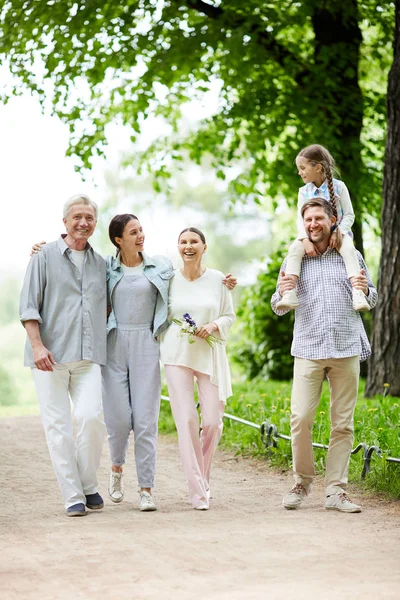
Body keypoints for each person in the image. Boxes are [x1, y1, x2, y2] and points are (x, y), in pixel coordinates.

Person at [31, 217, 236, 512]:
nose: (141, 235)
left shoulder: (160, 267)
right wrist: (42, 251)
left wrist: (224, 281)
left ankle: (146, 489)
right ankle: (116, 470)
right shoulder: (104, 267)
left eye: (141, 230)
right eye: (134, 232)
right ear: (118, 240)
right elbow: (71, 263)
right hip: (113, 343)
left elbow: (192, 277)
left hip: (147, 344)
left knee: (145, 420)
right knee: (116, 420)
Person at [271, 198, 378, 513]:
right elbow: (278, 304)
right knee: (300, 417)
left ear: (333, 220)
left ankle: (335, 491)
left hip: (345, 346)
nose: (313, 224)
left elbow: (371, 295)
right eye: (308, 219)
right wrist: (281, 291)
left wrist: (364, 289)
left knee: (342, 424)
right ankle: (302, 483)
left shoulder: (351, 254)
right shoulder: (297, 258)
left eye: (319, 218)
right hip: (308, 347)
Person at [20, 194, 106, 517]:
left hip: (88, 356)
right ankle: (73, 494)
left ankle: (87, 482)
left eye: (89, 217)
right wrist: (38, 345)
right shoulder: (43, 257)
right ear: (65, 221)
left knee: (92, 417)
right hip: (49, 358)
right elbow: (28, 305)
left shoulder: (101, 264)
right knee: (58, 426)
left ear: (95, 223)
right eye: (77, 217)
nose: (83, 222)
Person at [160, 228, 236, 510]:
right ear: (177, 247)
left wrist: (215, 325)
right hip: (176, 354)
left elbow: (229, 315)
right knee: (188, 421)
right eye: (183, 242)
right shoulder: (168, 280)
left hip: (210, 353)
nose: (188, 246)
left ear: (205, 246)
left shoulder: (219, 280)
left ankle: (202, 478)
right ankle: (197, 491)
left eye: (194, 242)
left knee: (213, 423)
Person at [276, 144, 370, 312]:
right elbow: (300, 219)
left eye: (303, 168)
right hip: (310, 236)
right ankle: (289, 292)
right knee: (294, 249)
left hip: (339, 234)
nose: (300, 172)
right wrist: (305, 240)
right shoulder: (303, 192)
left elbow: (349, 215)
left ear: (318, 167)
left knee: (349, 250)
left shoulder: (339, 187)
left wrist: (337, 231)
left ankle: (358, 293)